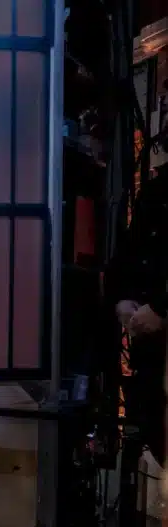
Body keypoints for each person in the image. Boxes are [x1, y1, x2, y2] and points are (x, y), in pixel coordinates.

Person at [105, 165, 168, 465]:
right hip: (151, 356)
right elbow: (128, 254)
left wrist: (161, 310)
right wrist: (121, 301)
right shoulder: (156, 192)